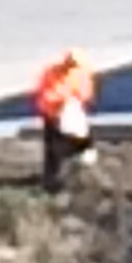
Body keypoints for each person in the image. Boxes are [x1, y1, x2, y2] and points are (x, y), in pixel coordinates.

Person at [34, 48, 97, 188]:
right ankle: (51, 180)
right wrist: (59, 102)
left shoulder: (82, 73)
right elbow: (45, 94)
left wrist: (73, 100)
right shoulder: (52, 72)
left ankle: (68, 167)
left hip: (69, 113)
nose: (71, 67)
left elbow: (85, 94)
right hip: (52, 114)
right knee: (53, 149)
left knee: (71, 140)